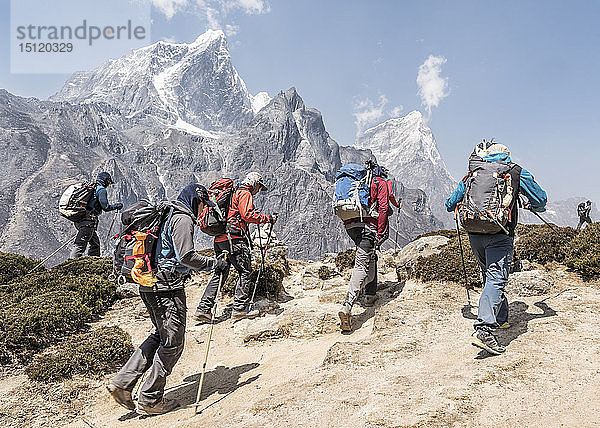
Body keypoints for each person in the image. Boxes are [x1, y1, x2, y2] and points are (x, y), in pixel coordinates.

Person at [108, 183, 227, 416]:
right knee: (173, 343)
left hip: (148, 283)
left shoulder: (165, 213)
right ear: (197, 201)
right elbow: (187, 256)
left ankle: (122, 383)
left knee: (159, 334)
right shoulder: (182, 219)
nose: (204, 211)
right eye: (204, 205)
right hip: (168, 288)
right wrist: (215, 264)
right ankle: (150, 399)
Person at [446, 141, 547, 355]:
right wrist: (533, 206)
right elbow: (541, 199)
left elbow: (450, 203)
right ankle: (484, 330)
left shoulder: (475, 172)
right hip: (500, 234)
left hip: (474, 233)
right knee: (496, 279)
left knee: (488, 276)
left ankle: (500, 318)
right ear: (507, 156)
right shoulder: (515, 171)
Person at [194, 172, 276, 322]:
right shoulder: (244, 193)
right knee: (245, 271)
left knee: (220, 273)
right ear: (255, 184)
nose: (258, 191)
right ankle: (240, 309)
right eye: (259, 188)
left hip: (220, 240)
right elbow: (247, 215)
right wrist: (267, 219)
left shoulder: (230, 194)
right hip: (235, 240)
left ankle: (203, 309)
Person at [338, 161, 390, 331]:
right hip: (368, 227)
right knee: (361, 264)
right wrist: (381, 231)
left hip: (350, 225)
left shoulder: (361, 184)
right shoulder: (379, 183)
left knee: (370, 256)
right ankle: (348, 305)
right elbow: (383, 207)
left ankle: (369, 294)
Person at [69, 171, 123, 258]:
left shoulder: (91, 188)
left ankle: (93, 261)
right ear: (105, 180)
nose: (108, 185)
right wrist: (117, 205)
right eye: (108, 182)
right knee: (79, 245)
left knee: (95, 244)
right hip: (88, 222)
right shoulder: (101, 190)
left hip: (80, 220)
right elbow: (105, 207)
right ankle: (71, 265)